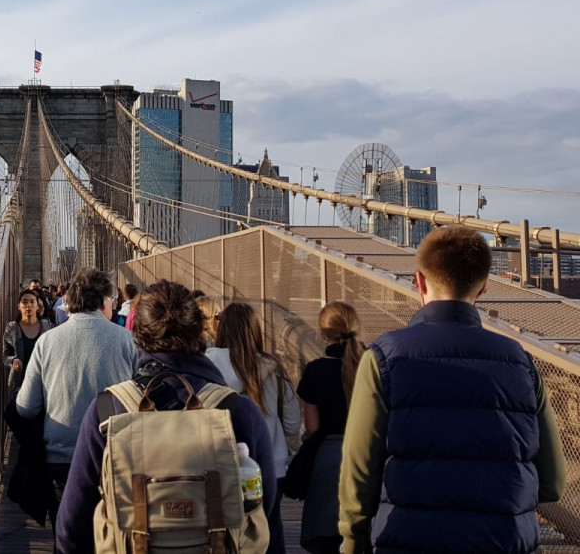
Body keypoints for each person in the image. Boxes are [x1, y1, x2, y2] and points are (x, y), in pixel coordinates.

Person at [339, 227, 567, 554]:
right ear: (483, 287)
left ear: (418, 281)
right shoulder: (522, 363)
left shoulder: (383, 357)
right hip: (503, 542)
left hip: (409, 540)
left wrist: (352, 541)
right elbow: (553, 483)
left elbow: (359, 472)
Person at [56, 280, 278, 554]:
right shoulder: (237, 411)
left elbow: (72, 523)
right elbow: (265, 515)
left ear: (137, 335)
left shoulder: (107, 410)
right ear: (201, 329)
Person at [16, 268, 137, 527]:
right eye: (113, 301)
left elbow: (25, 407)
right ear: (104, 301)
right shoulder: (128, 341)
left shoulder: (47, 341)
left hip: (61, 461)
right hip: (114, 459)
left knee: (68, 534)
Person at [207, 302, 300, 552]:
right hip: (271, 466)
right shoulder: (273, 366)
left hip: (220, 467)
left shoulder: (208, 363)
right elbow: (292, 424)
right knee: (268, 532)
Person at [295, 301, 364, 554]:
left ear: (323, 334)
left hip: (327, 461)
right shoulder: (373, 365)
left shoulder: (315, 371)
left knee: (325, 538)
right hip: (366, 459)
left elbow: (313, 427)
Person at [3, 288, 53, 394]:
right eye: (24, 302)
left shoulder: (47, 326)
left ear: (37, 306)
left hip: (44, 383)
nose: (28, 305)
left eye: (32, 301)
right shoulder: (12, 328)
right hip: (19, 383)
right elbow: (5, 356)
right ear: (19, 307)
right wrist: (13, 360)